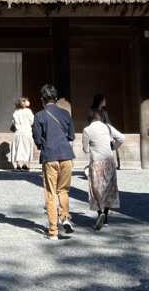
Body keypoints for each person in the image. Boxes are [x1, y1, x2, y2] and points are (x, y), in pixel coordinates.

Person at [33, 84, 75, 242]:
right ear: (56, 99)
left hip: (50, 156)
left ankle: (53, 231)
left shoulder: (40, 116)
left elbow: (37, 139)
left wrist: (43, 144)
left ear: (42, 100)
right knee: (63, 190)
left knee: (51, 193)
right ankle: (64, 217)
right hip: (66, 155)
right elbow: (71, 136)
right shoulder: (65, 114)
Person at [82, 106, 125, 230]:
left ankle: (99, 212)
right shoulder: (107, 127)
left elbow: (85, 149)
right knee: (108, 189)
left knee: (96, 189)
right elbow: (122, 137)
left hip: (96, 162)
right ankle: (105, 217)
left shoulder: (87, 130)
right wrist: (113, 147)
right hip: (109, 161)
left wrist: (91, 147)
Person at [92, 91, 120, 169]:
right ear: (100, 101)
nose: (105, 101)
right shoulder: (92, 111)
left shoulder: (104, 111)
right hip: (98, 133)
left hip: (106, 133)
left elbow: (108, 123)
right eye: (104, 100)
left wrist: (111, 133)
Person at [9, 97, 35, 170]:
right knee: (26, 148)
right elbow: (32, 121)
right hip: (27, 132)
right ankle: (25, 164)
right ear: (23, 102)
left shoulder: (16, 112)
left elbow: (13, 122)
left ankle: (17, 165)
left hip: (18, 132)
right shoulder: (28, 111)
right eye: (27, 101)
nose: (28, 102)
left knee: (18, 148)